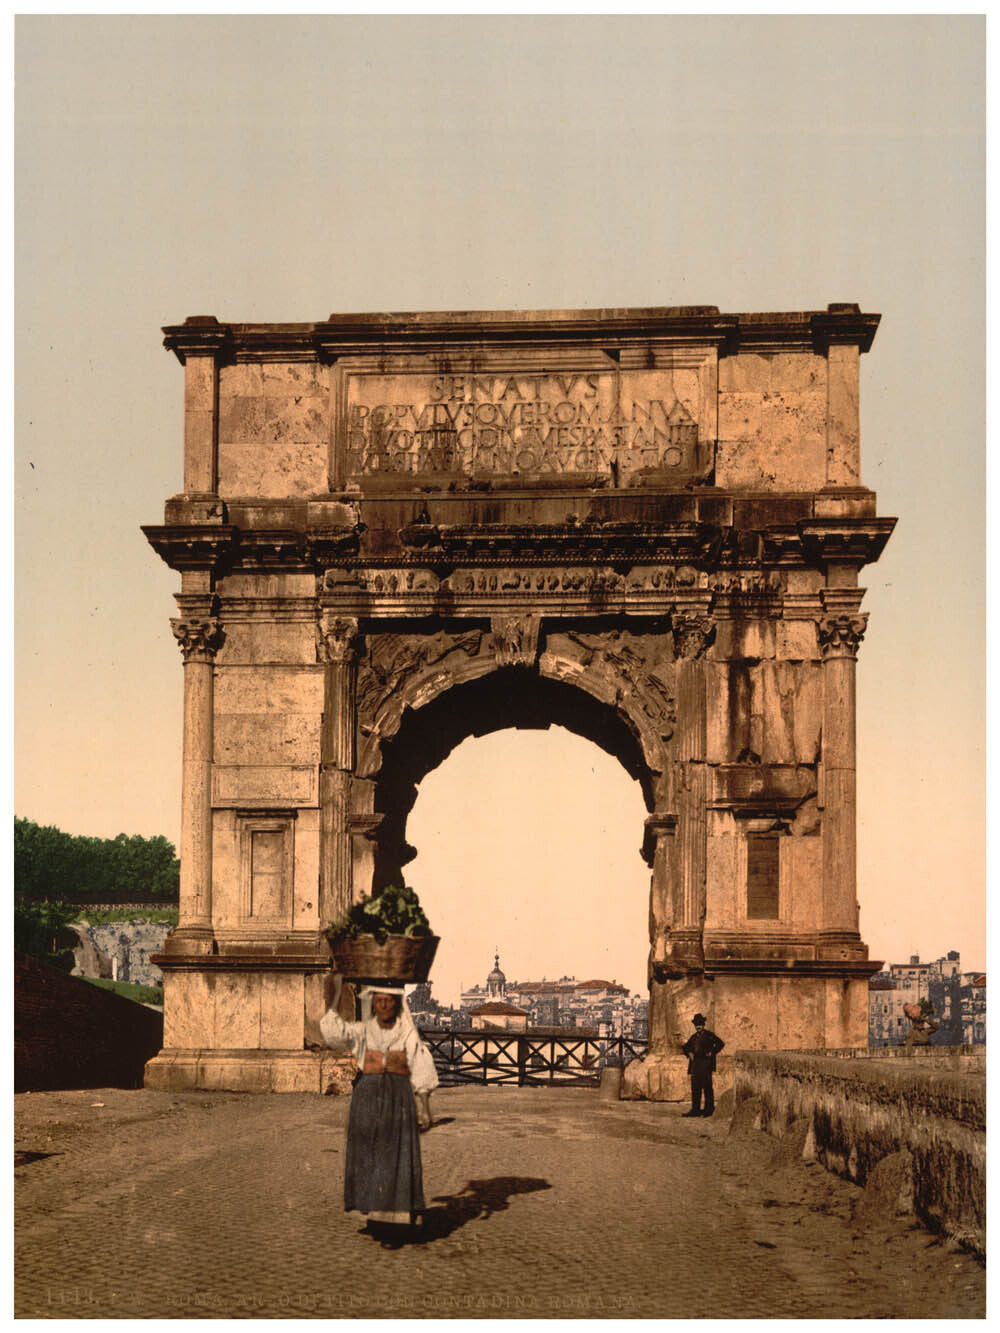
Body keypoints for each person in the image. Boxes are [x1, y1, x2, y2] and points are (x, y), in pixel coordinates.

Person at [320, 972, 440, 1246]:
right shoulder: (363, 1031)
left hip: (398, 1096)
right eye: (379, 1001)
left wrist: (424, 1107)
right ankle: (375, 1214)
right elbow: (333, 1033)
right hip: (368, 1097)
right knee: (370, 1153)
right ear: (373, 1004)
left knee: (396, 1154)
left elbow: (420, 1065)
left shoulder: (405, 1031)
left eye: (390, 1001)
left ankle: (397, 1220)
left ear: (397, 1005)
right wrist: (336, 995)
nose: (385, 1006)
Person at [681, 1012, 725, 1117]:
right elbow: (685, 1047)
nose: (698, 1027)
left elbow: (720, 1043)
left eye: (700, 1024)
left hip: (706, 1065)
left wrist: (712, 1052)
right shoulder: (693, 1037)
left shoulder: (709, 1035)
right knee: (695, 1088)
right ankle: (695, 1110)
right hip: (695, 1065)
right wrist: (689, 1053)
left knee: (707, 1088)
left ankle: (708, 1110)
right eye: (696, 1025)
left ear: (703, 1024)